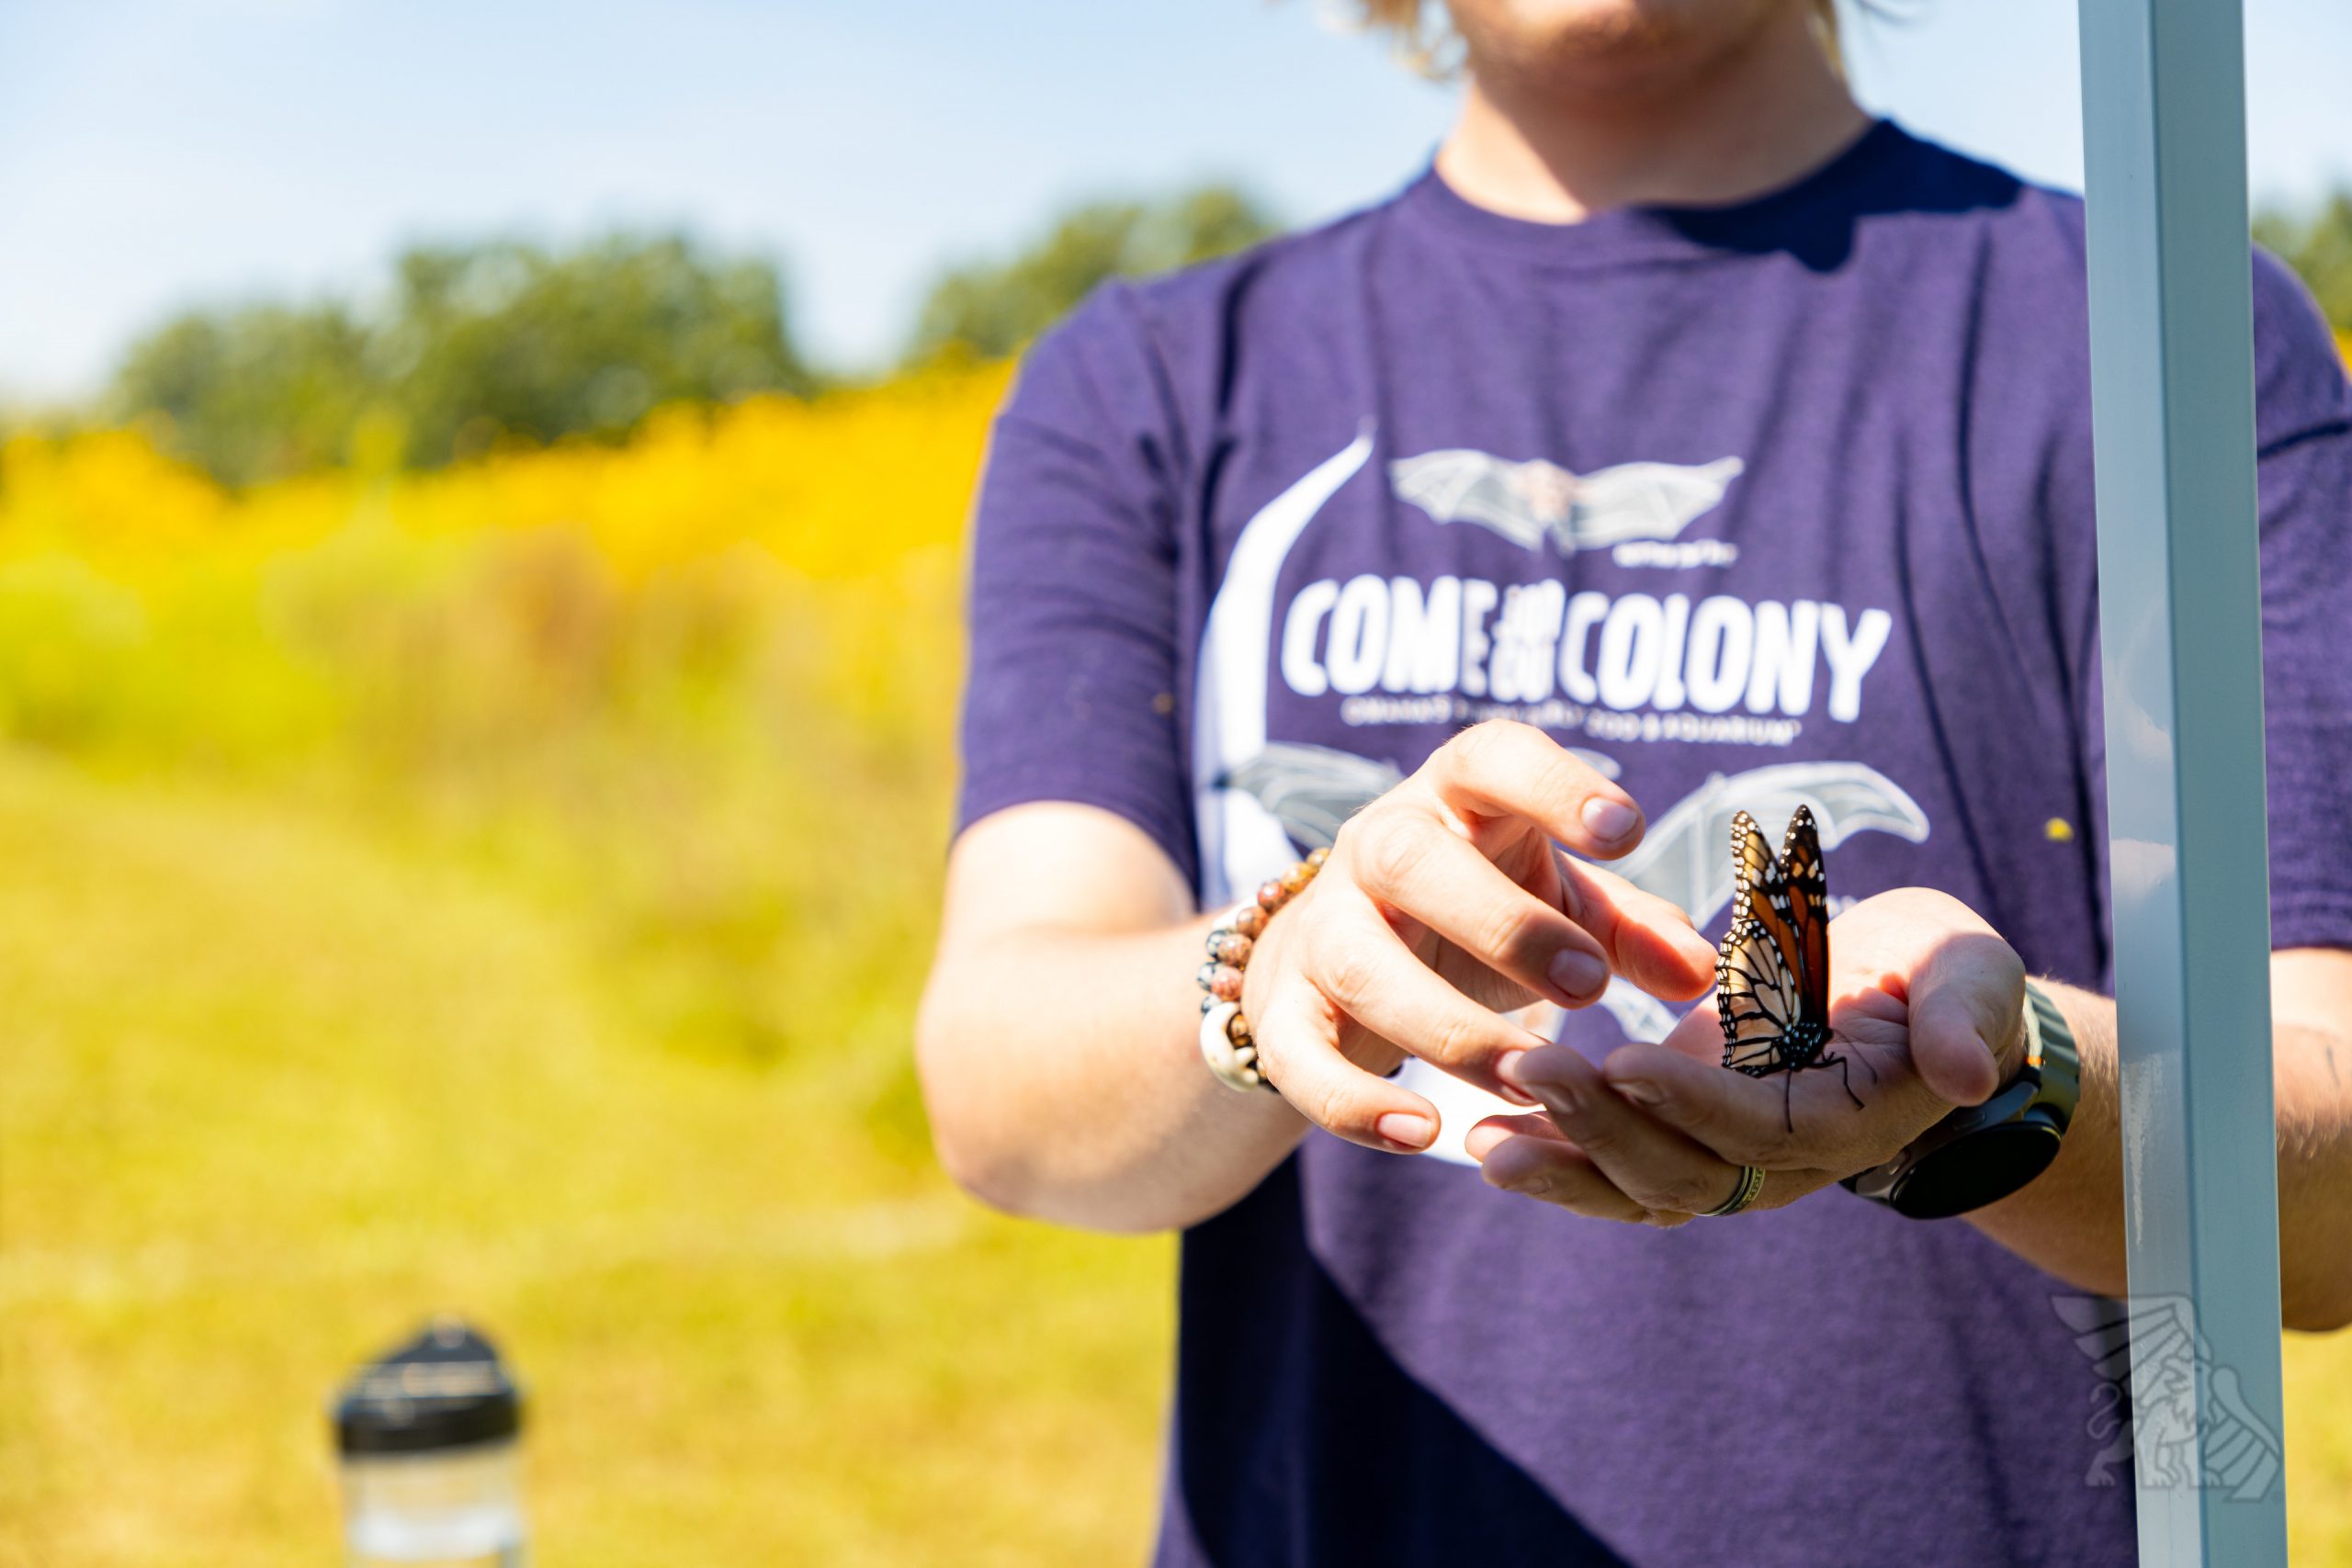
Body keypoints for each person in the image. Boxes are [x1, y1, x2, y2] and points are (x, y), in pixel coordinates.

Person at [917, 2, 2352, 1562]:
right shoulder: (1158, 384)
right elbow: (1000, 1092)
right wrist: (1280, 974)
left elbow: (2331, 1190)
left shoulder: (2156, 339)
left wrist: (1992, 1082)